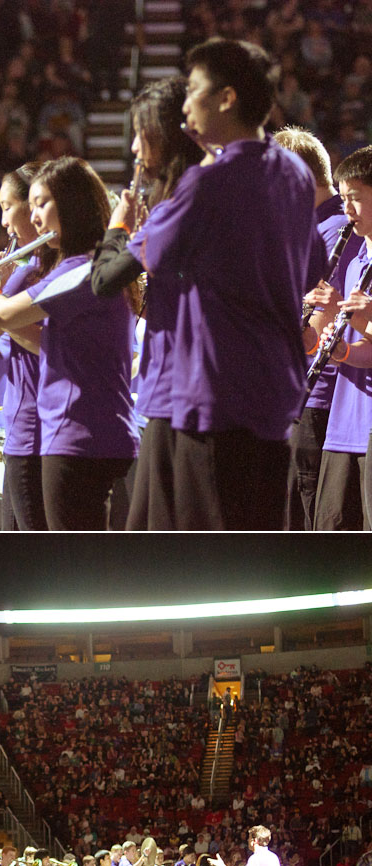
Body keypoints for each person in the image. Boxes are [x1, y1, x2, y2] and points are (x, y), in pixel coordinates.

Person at [91, 38, 325, 530]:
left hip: (212, 399)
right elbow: (310, 269)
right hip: (274, 396)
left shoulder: (207, 183)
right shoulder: (295, 174)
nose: (185, 107)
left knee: (201, 557)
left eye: (194, 90)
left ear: (226, 98)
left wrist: (119, 229)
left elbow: (120, 272)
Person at [0, 157, 140, 530]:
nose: (34, 218)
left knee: (63, 558)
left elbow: (4, 314)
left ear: (71, 205)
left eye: (41, 204)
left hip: (78, 436)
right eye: (30, 206)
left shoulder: (81, 269)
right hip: (86, 434)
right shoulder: (91, 264)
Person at [91, 76, 203, 530]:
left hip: (181, 394)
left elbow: (104, 280)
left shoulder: (183, 201)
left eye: (142, 134)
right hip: (173, 389)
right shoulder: (189, 198)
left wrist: (118, 228)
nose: (135, 149)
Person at [274, 127, 363, 531]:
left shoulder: (335, 230)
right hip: (312, 398)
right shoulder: (317, 227)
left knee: (310, 522)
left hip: (320, 400)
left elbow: (320, 326)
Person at [0, 162, 47, 530]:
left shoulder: (43, 268)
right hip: (21, 423)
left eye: (7, 207)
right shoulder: (28, 265)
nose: (3, 222)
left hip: (37, 426)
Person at [309, 146, 372, 529]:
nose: (347, 209)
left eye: (356, 198)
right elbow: (366, 351)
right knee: (330, 533)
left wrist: (365, 320)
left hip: (368, 425)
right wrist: (340, 348)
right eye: (343, 198)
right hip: (343, 426)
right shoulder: (356, 263)